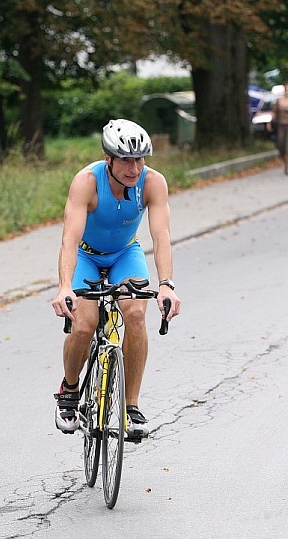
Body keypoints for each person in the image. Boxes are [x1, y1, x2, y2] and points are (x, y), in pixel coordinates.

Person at [52, 119, 181, 438]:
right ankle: (69, 391)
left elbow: (161, 235)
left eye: (140, 159)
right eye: (125, 159)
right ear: (108, 158)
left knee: (136, 315)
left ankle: (130, 405)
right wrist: (65, 285)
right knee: (83, 324)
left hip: (126, 253)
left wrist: (166, 284)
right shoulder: (86, 182)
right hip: (86, 254)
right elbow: (69, 237)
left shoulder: (153, 183)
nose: (134, 167)